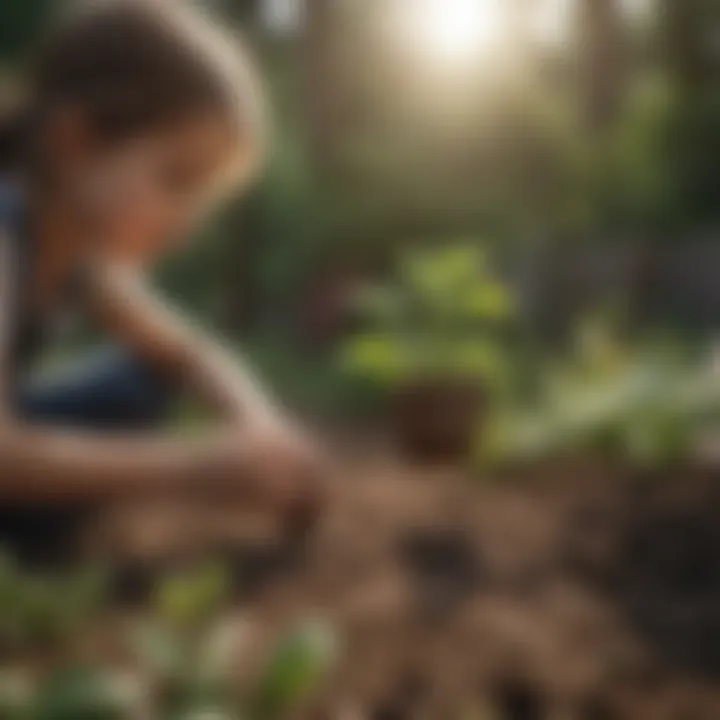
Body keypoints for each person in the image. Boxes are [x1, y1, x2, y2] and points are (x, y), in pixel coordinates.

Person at [0, 0, 325, 564]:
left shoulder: (78, 257)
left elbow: (188, 355)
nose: (189, 217)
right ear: (74, 141)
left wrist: (263, 432)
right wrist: (196, 470)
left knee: (138, 380)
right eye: (177, 179)